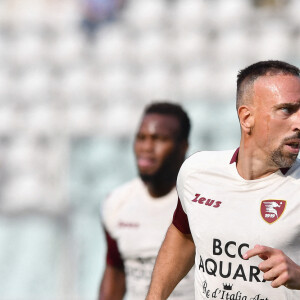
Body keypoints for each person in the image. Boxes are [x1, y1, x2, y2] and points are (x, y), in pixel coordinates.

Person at [146, 60, 300, 300]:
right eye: (286, 110)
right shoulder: (198, 171)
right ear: (247, 118)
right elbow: (183, 234)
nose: (299, 123)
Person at [99, 102, 194, 300]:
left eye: (159, 139)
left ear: (183, 146)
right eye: (141, 138)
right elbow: (115, 270)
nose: (147, 147)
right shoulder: (117, 202)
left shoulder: (200, 201)